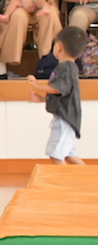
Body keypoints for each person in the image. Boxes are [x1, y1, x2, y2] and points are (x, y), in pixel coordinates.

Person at [27, 27, 87, 165]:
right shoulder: (68, 67)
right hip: (65, 117)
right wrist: (41, 99)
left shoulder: (66, 67)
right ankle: (90, 181)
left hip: (66, 119)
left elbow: (59, 89)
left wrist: (37, 86)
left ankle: (62, 183)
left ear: (58, 47)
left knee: (56, 155)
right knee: (69, 155)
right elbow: (62, 94)